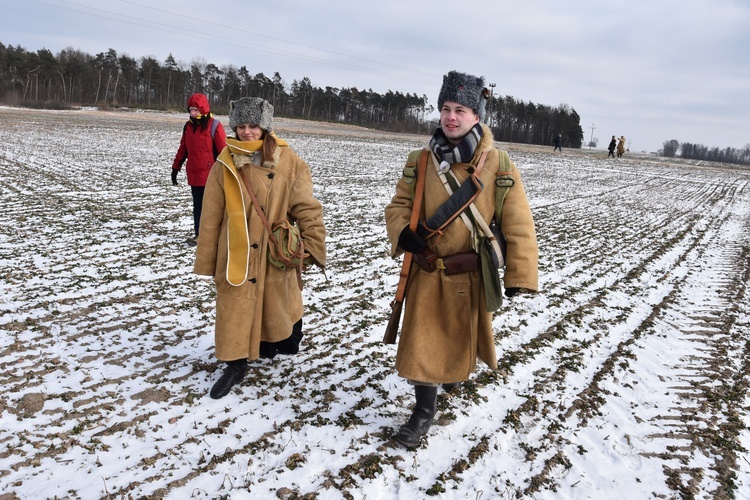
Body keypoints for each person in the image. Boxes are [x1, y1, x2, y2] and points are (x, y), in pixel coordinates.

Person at [384, 71, 539, 447]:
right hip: (426, 269)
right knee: (423, 349)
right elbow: (399, 204)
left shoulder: (499, 164)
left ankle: (452, 374)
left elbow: (519, 223)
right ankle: (423, 412)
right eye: (446, 109)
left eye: (461, 110)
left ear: (477, 116)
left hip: (469, 277)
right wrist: (401, 230)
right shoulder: (419, 160)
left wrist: (520, 275)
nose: (451, 117)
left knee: (456, 346)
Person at [194, 97, 326, 399]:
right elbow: (210, 217)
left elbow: (306, 207)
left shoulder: (288, 160)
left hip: (272, 252)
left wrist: (314, 246)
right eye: (241, 125)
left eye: (253, 125)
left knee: (276, 307)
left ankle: (272, 343)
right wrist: (207, 261)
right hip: (236, 255)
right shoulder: (224, 163)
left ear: (265, 127)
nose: (247, 132)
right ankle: (235, 365)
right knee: (235, 311)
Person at [171, 93, 228, 246]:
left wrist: (228, 173)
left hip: (212, 175)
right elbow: (183, 149)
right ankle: (199, 234)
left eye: (195, 110)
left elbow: (224, 151)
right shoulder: (188, 127)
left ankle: (216, 235)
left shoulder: (214, 126)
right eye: (190, 110)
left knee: (212, 207)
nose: (192, 113)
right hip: (194, 175)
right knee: (198, 206)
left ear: (203, 109)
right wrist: (175, 168)